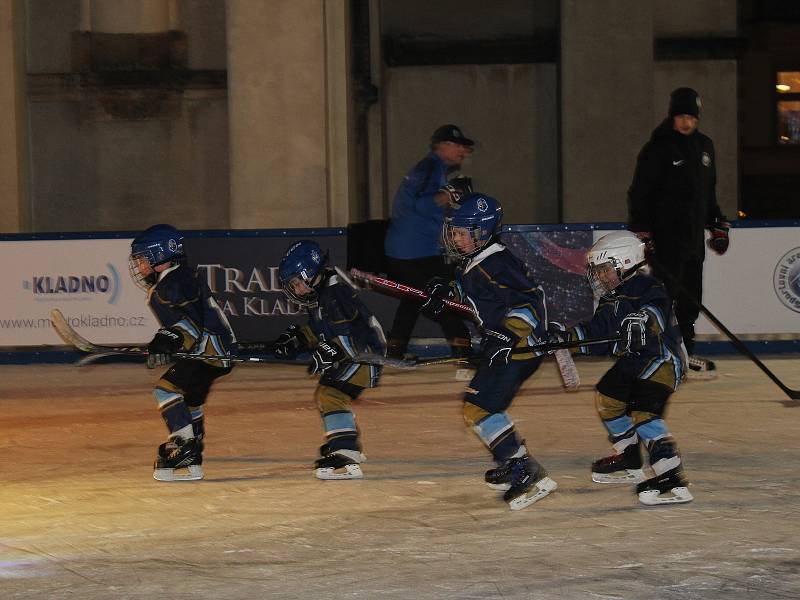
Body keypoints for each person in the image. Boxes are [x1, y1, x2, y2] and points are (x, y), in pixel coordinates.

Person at [424, 192, 558, 511]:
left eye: (461, 233)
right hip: (508, 348)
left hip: (519, 348)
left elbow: (528, 301)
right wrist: (445, 293)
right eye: (453, 232)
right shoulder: (478, 263)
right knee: (481, 406)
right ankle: (516, 463)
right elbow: (478, 297)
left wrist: (508, 335)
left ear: (481, 233)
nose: (455, 238)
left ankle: (526, 471)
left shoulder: (495, 262)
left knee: (479, 407)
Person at [555, 231, 692, 505]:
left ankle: (670, 474)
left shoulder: (648, 286)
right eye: (598, 271)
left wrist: (643, 319)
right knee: (608, 397)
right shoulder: (610, 299)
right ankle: (629, 457)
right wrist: (566, 338)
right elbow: (599, 335)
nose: (601, 277)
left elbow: (656, 310)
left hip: (662, 359)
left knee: (644, 411)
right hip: (635, 360)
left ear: (626, 262)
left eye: (605, 269)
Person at [628, 87, 730, 379]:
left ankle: (685, 352)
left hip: (693, 241)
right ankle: (655, 354)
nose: (686, 122)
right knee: (662, 300)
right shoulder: (658, 148)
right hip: (665, 240)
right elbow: (639, 193)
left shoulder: (706, 147)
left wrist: (717, 224)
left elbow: (707, 194)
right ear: (672, 116)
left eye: (691, 117)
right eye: (681, 116)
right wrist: (643, 231)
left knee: (690, 300)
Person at [128, 224, 236, 481]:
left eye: (143, 259)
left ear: (159, 257)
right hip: (215, 351)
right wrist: (170, 341)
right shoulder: (181, 277)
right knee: (191, 399)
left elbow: (190, 323)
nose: (140, 267)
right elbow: (186, 325)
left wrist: (171, 339)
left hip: (208, 352)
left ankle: (186, 449)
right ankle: (194, 442)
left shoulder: (171, 285)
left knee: (165, 390)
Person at [274, 240, 386, 480]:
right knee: (332, 395)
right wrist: (298, 340)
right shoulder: (322, 294)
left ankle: (346, 450)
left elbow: (347, 336)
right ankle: (343, 438)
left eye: (296, 283)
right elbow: (321, 329)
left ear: (309, 274)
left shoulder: (334, 294)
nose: (296, 290)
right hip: (356, 354)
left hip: (363, 355)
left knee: (330, 394)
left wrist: (329, 351)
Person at [383, 124, 474, 360]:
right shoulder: (430, 167)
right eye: (458, 146)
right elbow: (419, 204)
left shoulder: (436, 170)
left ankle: (395, 350)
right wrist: (448, 195)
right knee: (442, 297)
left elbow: (428, 210)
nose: (462, 151)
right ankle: (464, 352)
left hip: (410, 250)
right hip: (412, 252)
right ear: (442, 146)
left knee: (413, 299)